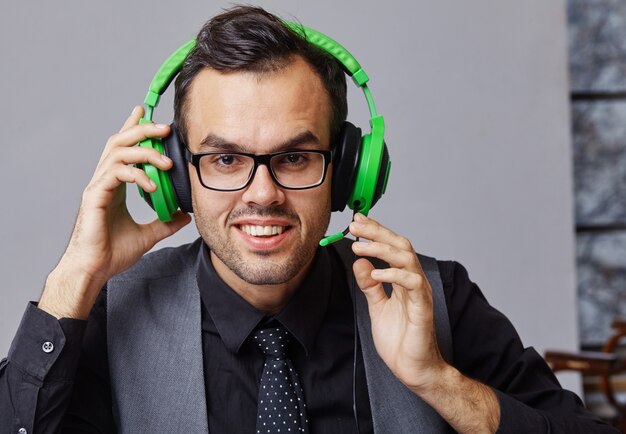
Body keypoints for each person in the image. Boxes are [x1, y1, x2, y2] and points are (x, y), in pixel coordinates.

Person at [0, 6, 618, 434]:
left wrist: (438, 382)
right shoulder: (114, 316)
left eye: (295, 158)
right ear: (175, 175)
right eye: (224, 158)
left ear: (351, 170)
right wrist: (75, 277)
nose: (262, 193)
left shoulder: (436, 299)